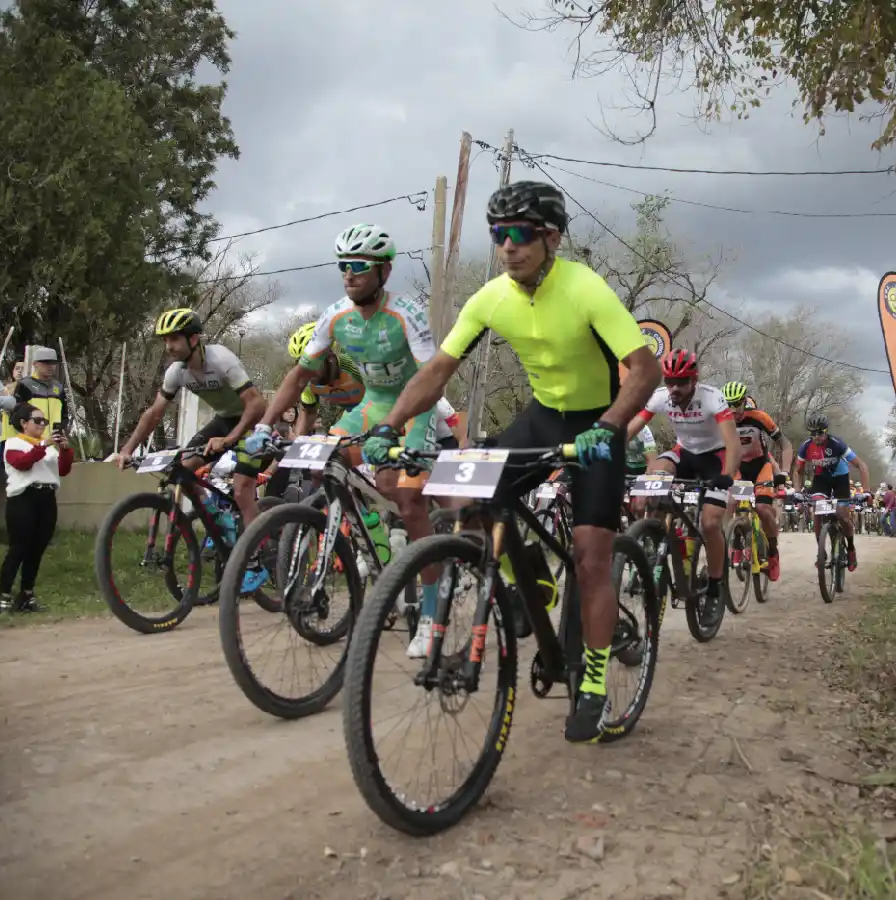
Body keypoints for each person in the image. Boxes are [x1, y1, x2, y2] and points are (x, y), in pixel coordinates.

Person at [371, 182, 661, 742]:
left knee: (591, 557)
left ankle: (595, 683)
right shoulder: (491, 298)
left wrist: (609, 428)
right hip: (542, 416)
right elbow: (436, 372)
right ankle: (525, 578)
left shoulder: (585, 288)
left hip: (598, 422)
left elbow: (645, 371)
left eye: (521, 234)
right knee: (466, 494)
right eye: (498, 234)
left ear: (551, 238)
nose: (507, 246)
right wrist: (387, 426)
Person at [248, 224, 441, 657]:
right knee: (322, 463)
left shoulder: (405, 313)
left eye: (359, 266)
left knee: (407, 499)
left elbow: (431, 378)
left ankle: (431, 609)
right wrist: (265, 425)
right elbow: (298, 375)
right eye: (343, 267)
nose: (349, 274)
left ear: (384, 271)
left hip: (413, 405)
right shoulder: (336, 315)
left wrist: (397, 427)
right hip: (371, 405)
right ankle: (375, 549)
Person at [116, 309, 270, 593]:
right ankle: (216, 516)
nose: (169, 346)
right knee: (181, 471)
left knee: (241, 490)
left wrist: (231, 439)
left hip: (251, 423)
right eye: (165, 340)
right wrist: (126, 449)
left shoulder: (221, 359)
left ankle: (255, 563)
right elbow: (154, 414)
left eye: (174, 339)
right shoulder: (176, 372)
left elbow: (256, 404)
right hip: (223, 420)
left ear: (194, 338)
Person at [629, 350, 741, 615]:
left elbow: (733, 443)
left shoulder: (712, 398)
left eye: (681, 382)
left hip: (715, 458)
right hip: (684, 454)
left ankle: (715, 585)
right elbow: (631, 427)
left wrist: (727, 474)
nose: (674, 388)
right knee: (650, 482)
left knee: (711, 522)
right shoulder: (660, 397)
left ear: (694, 380)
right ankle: (652, 544)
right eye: (670, 381)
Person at [0, 403, 74, 613]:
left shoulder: (47, 446)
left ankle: (26, 595)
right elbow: (22, 463)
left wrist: (65, 449)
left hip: (47, 497)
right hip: (23, 498)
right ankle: (3, 596)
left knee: (37, 548)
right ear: (23, 423)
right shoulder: (14, 443)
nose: (43, 425)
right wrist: (43, 446)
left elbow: (63, 469)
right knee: (19, 547)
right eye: (37, 421)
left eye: (45, 422)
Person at [721, 380, 793, 580]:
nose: (733, 410)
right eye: (728, 404)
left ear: (744, 402)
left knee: (762, 509)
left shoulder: (759, 417)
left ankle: (772, 551)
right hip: (738, 468)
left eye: (736, 404)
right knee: (730, 503)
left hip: (761, 466)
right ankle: (733, 540)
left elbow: (785, 445)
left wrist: (784, 473)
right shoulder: (721, 419)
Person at [792, 414, 870, 570]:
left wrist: (866, 492)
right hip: (822, 478)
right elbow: (797, 471)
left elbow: (861, 466)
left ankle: (851, 548)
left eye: (819, 433)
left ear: (826, 432)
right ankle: (821, 552)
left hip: (841, 477)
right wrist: (797, 491)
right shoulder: (806, 446)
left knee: (843, 516)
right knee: (818, 512)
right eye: (812, 433)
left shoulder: (837, 444)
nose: (816, 437)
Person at [1, 347, 68, 443]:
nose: (50, 366)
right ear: (35, 364)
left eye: (53, 363)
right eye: (45, 363)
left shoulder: (59, 387)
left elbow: (64, 415)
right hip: (30, 443)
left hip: (52, 444)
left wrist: (60, 432)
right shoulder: (25, 384)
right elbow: (15, 415)